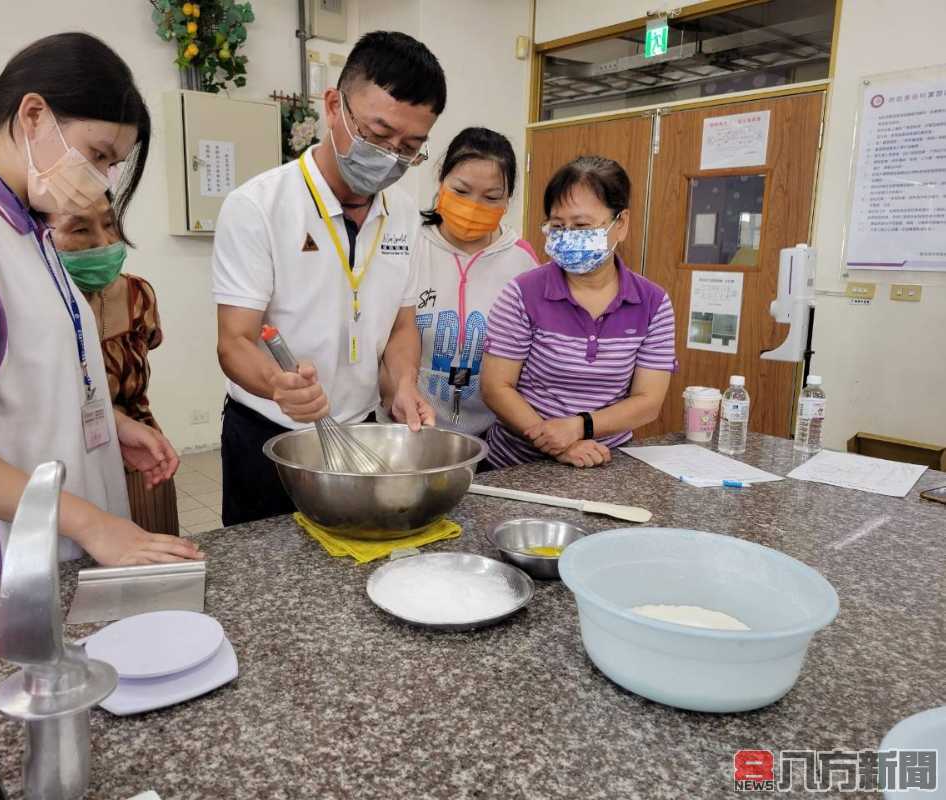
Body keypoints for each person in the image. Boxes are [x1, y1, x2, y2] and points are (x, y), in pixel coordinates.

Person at [0, 33, 200, 618]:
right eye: (98, 154)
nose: (102, 177)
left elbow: (20, 379)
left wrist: (109, 421)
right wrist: (93, 523)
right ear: (34, 115)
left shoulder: (24, 222)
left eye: (112, 164)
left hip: (55, 550)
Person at [213, 31, 446, 525]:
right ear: (334, 105)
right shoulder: (258, 206)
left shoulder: (403, 214)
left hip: (360, 430)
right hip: (270, 434)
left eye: (410, 147)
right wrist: (277, 384)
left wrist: (403, 382)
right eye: (377, 135)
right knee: (267, 579)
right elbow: (234, 341)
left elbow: (402, 326)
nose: (389, 156)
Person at [481, 155, 677, 469]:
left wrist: (578, 427)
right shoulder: (523, 293)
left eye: (582, 225)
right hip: (517, 466)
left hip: (604, 463)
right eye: (558, 226)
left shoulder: (653, 303)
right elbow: (495, 387)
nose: (568, 235)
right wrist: (555, 445)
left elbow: (647, 402)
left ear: (621, 224)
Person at [48, 196, 180, 536]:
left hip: (142, 457)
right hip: (69, 464)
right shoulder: (37, 307)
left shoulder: (138, 295)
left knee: (157, 560)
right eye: (80, 229)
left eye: (109, 224)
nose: (104, 242)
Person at [411, 127, 539, 439]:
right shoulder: (411, 245)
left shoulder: (521, 260)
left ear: (507, 200)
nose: (472, 206)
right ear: (441, 180)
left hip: (495, 437)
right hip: (411, 428)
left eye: (491, 197)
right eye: (461, 191)